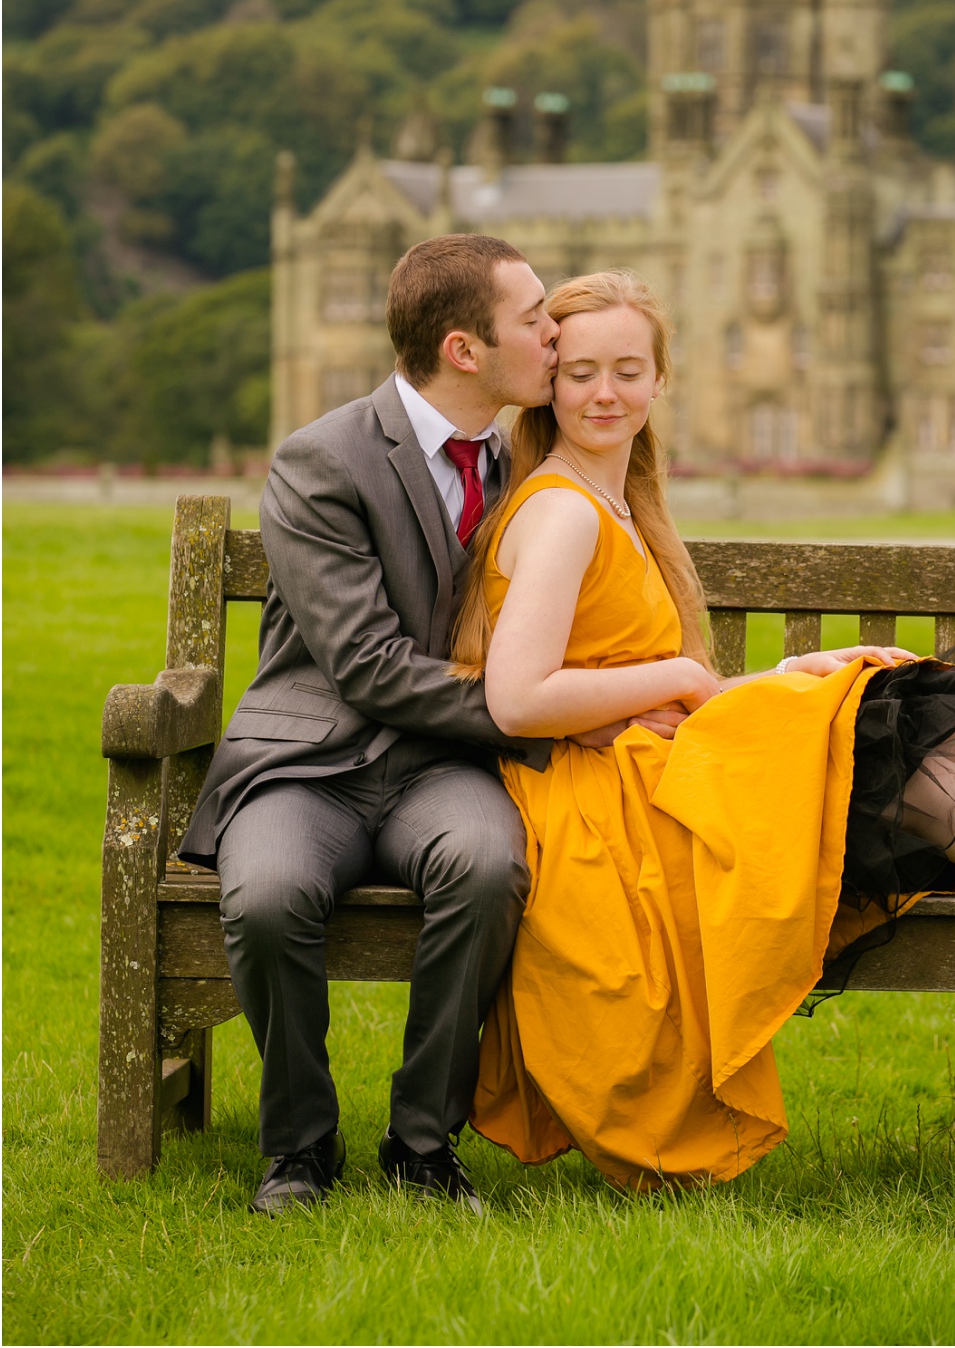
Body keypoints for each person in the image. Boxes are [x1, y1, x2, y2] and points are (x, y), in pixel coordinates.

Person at [451, 269, 955, 1190]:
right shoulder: (564, 511)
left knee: (903, 706)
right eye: (582, 374)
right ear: (548, 383)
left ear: (659, 381)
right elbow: (519, 698)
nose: (605, 393)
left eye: (629, 371)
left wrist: (763, 680)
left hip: (653, 768)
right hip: (605, 810)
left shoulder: (614, 502)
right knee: (885, 771)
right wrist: (692, 677)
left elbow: (618, 681)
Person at [179, 236, 682, 1216]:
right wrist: (547, 723)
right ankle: (298, 1148)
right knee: (273, 892)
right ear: (465, 348)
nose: (554, 333)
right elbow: (364, 665)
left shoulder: (525, 459)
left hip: (441, 770)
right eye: (534, 318)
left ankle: (422, 1146)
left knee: (489, 866)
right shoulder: (322, 459)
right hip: (308, 761)